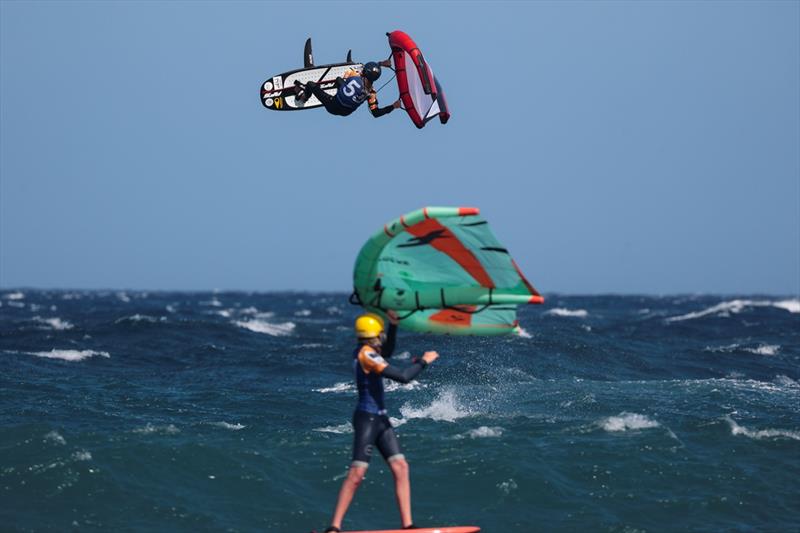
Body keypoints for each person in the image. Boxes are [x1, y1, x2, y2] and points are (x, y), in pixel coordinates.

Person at [322, 313, 439, 533]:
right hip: (367, 418)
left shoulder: (367, 352)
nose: (384, 337)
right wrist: (425, 361)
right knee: (357, 473)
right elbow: (403, 377)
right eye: (382, 333)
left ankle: (408, 525)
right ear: (375, 336)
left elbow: (387, 352)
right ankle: (334, 527)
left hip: (381, 419)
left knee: (400, 466)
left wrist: (394, 324)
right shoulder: (367, 356)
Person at [296, 60, 401, 118]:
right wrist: (393, 106)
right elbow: (376, 113)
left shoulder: (354, 75)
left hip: (333, 105)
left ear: (364, 72)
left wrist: (381, 63)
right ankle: (340, 92)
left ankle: (304, 97)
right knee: (339, 81)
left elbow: (363, 69)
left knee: (311, 84)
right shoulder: (372, 93)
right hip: (345, 113)